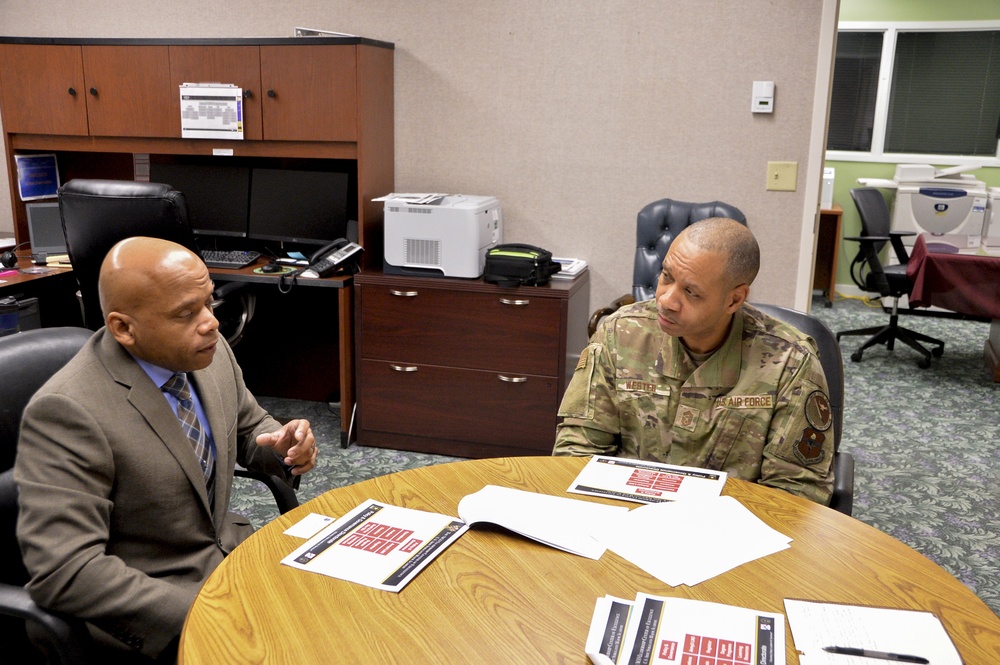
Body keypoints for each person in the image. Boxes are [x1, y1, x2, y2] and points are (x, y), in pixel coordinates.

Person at [14, 237, 318, 662]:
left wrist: (283, 445)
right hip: (158, 609)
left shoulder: (207, 352)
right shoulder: (67, 412)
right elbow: (65, 572)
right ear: (123, 328)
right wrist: (208, 612)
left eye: (208, 302)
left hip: (232, 560)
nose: (210, 322)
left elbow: (250, 428)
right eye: (185, 313)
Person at [553, 217, 834, 504]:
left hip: (728, 533)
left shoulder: (789, 361)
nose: (666, 300)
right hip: (623, 515)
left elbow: (797, 491)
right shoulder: (620, 333)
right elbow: (576, 451)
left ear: (734, 300)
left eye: (691, 292)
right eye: (666, 276)